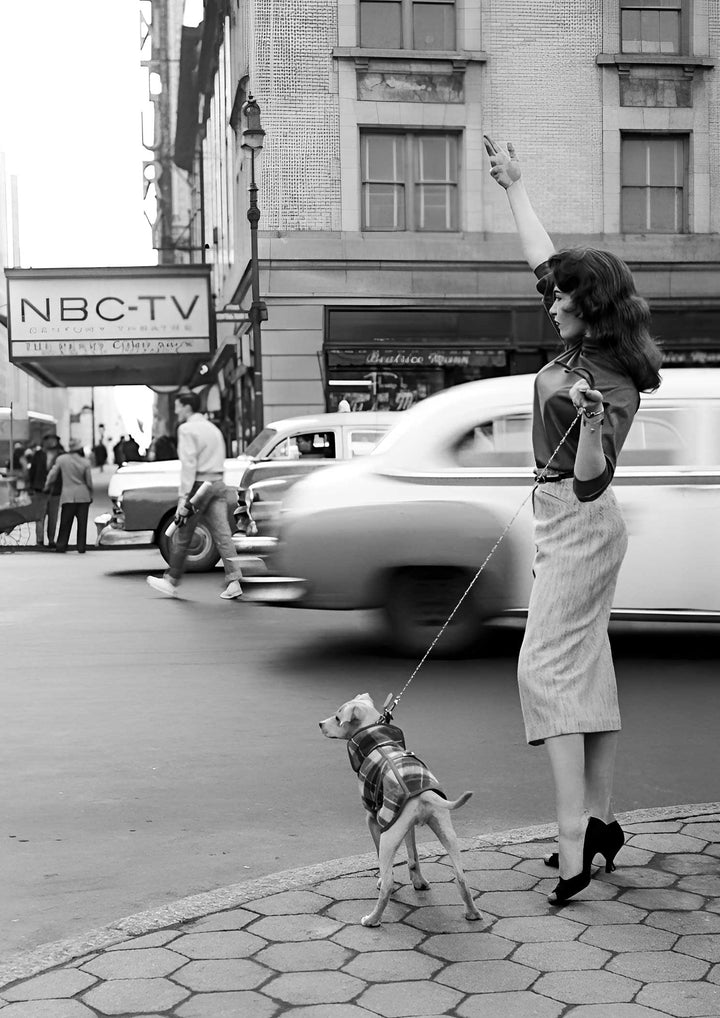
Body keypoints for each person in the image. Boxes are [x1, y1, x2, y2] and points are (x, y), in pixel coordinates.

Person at [484, 136, 662, 905]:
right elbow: (543, 257)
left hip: (582, 521)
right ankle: (600, 822)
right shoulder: (575, 339)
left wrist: (591, 426)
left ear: (588, 307)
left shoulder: (612, 379)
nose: (549, 300)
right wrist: (515, 186)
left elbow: (593, 485)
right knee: (583, 665)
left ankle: (571, 846)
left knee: (546, 671)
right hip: (560, 516)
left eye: (561, 296)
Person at [146, 392, 243, 600]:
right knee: (222, 533)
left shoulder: (187, 429)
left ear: (187, 407)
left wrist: (183, 498)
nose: (176, 410)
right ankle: (234, 580)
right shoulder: (213, 429)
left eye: (178, 406)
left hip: (200, 486)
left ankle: (171, 581)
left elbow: (189, 465)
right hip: (217, 483)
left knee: (183, 533)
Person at [45, 438, 94, 553]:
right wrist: (90, 494)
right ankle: (81, 547)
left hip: (68, 496)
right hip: (83, 496)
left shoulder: (62, 459)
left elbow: (52, 475)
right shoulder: (85, 462)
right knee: (82, 524)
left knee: (65, 523)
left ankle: (61, 545)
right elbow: (89, 482)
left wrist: (47, 485)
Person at [28, 433, 64, 548]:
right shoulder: (38, 455)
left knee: (53, 517)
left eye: (53, 440)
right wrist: (31, 487)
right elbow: (32, 471)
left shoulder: (61, 455)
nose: (51, 442)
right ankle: (39, 540)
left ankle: (51, 540)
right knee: (40, 516)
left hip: (55, 491)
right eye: (48, 440)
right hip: (40, 490)